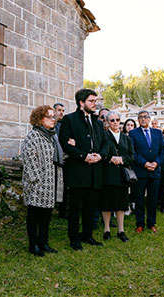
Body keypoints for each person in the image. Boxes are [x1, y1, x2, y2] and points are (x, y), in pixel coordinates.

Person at [59, 89, 108, 250]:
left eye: (95, 101)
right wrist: (83, 156)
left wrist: (100, 156)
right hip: (78, 171)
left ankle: (87, 235)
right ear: (81, 103)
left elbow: (106, 144)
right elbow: (65, 143)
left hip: (95, 171)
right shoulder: (69, 120)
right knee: (75, 208)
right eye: (92, 101)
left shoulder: (98, 122)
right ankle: (74, 238)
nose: (95, 104)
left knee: (90, 206)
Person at [22, 105, 63, 257]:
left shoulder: (53, 136)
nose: (53, 119)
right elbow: (29, 160)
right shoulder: (34, 136)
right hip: (37, 183)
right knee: (34, 215)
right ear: (39, 119)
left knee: (46, 215)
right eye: (49, 117)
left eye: (54, 117)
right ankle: (33, 245)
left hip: (51, 182)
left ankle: (43, 242)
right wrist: (37, 181)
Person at [129, 110, 164, 233]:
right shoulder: (133, 133)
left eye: (145, 117)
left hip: (155, 171)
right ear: (138, 120)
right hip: (140, 171)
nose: (143, 119)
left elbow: (162, 150)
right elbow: (132, 152)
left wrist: (156, 163)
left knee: (153, 198)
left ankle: (151, 223)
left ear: (149, 119)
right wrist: (144, 163)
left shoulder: (157, 133)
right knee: (139, 199)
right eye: (140, 118)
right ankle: (140, 223)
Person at [101, 111, 134, 242]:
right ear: (108, 122)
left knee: (121, 203)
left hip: (121, 175)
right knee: (107, 202)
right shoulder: (103, 136)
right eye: (112, 120)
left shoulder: (126, 138)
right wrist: (110, 158)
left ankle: (121, 230)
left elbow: (131, 156)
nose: (115, 122)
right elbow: (100, 153)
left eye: (117, 120)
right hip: (108, 174)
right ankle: (107, 229)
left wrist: (122, 159)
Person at [53, 103, 68, 219]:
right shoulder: (50, 125)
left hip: (64, 159)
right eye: (59, 110)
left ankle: (63, 211)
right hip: (52, 160)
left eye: (63, 110)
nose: (61, 112)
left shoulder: (64, 125)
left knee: (64, 186)